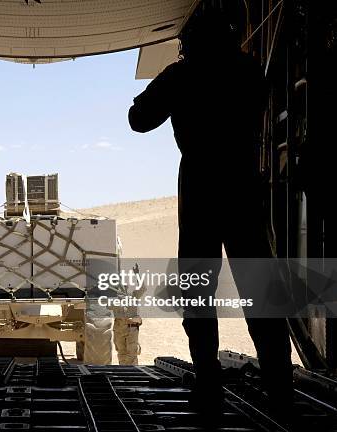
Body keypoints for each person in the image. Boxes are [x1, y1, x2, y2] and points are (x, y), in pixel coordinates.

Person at [128, 9, 293, 418]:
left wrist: (176, 76)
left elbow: (139, 119)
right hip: (241, 181)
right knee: (260, 286)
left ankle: (207, 383)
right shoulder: (249, 70)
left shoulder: (183, 74)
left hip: (200, 184)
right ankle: (281, 387)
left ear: (192, 43)